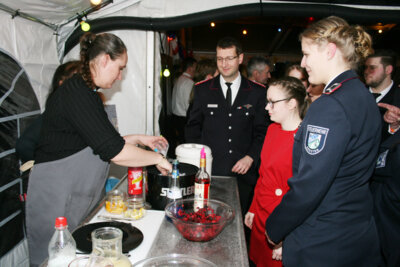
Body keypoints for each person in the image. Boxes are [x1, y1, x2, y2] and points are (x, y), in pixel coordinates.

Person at [26, 32, 172, 267]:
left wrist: (138, 138)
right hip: (55, 197)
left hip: (73, 194)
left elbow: (94, 141)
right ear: (104, 60)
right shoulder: (77, 93)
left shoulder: (88, 93)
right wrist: (156, 158)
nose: (120, 76)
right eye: (120, 67)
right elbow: (113, 150)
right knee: (54, 261)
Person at [265, 16, 381, 266]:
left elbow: (309, 185)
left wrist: (274, 228)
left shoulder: (330, 106)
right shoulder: (363, 95)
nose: (303, 62)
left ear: (330, 51)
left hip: (322, 241)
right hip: (356, 233)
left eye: (306, 54)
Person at [185, 36, 268, 215]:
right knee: (207, 219)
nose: (224, 63)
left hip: (244, 175)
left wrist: (251, 157)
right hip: (210, 174)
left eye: (229, 58)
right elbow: (192, 130)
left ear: (240, 58)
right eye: (220, 58)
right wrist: (199, 163)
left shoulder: (257, 92)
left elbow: (262, 131)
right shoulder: (202, 90)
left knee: (241, 228)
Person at [244, 77, 309, 267]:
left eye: (272, 102)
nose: (266, 107)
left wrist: (284, 236)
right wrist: (253, 208)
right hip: (262, 217)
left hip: (282, 223)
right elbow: (263, 175)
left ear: (292, 104)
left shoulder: (305, 138)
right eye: (267, 101)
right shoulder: (272, 130)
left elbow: (302, 196)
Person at [15, 60, 81, 163]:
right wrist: (44, 163)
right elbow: (24, 145)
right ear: (62, 83)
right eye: (78, 81)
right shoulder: (53, 115)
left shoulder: (84, 115)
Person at [364, 49, 400, 141]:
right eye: (366, 67)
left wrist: (392, 127)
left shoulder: (397, 99)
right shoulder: (354, 94)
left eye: (372, 68)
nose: (366, 71)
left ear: (388, 70)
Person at [171, 57, 197, 145]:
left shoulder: (179, 79)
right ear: (190, 68)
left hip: (176, 117)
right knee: (186, 144)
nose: (196, 70)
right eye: (195, 67)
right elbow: (188, 104)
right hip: (183, 119)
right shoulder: (189, 83)